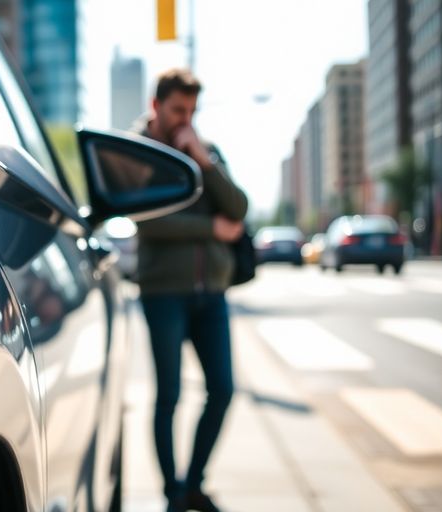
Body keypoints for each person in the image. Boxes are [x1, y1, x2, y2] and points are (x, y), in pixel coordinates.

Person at [130, 69, 248, 512]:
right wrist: (210, 228)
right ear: (157, 105)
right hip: (163, 293)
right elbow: (148, 220)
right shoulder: (137, 152)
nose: (185, 120)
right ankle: (173, 494)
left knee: (222, 389)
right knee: (169, 396)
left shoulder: (206, 151)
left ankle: (194, 481)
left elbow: (238, 208)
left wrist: (201, 158)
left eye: (192, 111)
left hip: (211, 293)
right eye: (178, 110)